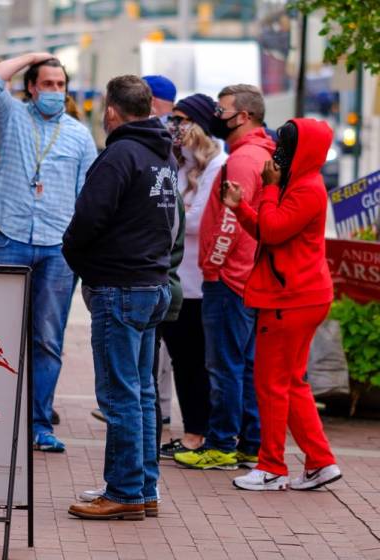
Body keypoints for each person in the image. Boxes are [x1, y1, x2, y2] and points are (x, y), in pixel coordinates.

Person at [63, 75, 176, 521]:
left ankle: (126, 491)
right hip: (151, 282)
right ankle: (141, 487)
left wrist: (78, 259)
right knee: (142, 393)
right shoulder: (158, 155)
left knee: (120, 395)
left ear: (111, 110)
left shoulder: (120, 155)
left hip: (122, 285)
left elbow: (88, 218)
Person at [0, 53, 97, 452]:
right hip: (9, 238)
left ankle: (38, 424)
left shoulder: (80, 136)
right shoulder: (11, 116)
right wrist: (36, 56)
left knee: (47, 338)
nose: (55, 92)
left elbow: (86, 196)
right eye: (47, 84)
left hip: (57, 247)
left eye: (61, 85)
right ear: (31, 87)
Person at [223, 118, 342, 491]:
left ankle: (272, 466)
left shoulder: (305, 189)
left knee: (272, 384)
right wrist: (242, 207)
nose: (276, 152)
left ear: (300, 152)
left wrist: (268, 189)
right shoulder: (302, 183)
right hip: (298, 296)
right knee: (291, 383)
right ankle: (320, 461)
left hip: (291, 299)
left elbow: (272, 230)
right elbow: (268, 227)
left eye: (285, 146)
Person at [174, 84, 274, 471]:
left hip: (230, 277)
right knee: (243, 364)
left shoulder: (242, 160)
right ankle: (249, 442)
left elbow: (233, 219)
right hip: (243, 275)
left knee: (225, 365)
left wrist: (214, 265)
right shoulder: (255, 154)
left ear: (243, 116)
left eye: (223, 108)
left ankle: (221, 444)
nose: (217, 114)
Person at [158, 93, 227, 459]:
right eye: (173, 119)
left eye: (182, 119)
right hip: (176, 279)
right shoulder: (176, 163)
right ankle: (193, 431)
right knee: (183, 361)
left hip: (205, 280)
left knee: (206, 362)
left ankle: (206, 432)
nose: (175, 127)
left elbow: (200, 220)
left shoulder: (219, 165)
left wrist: (176, 215)